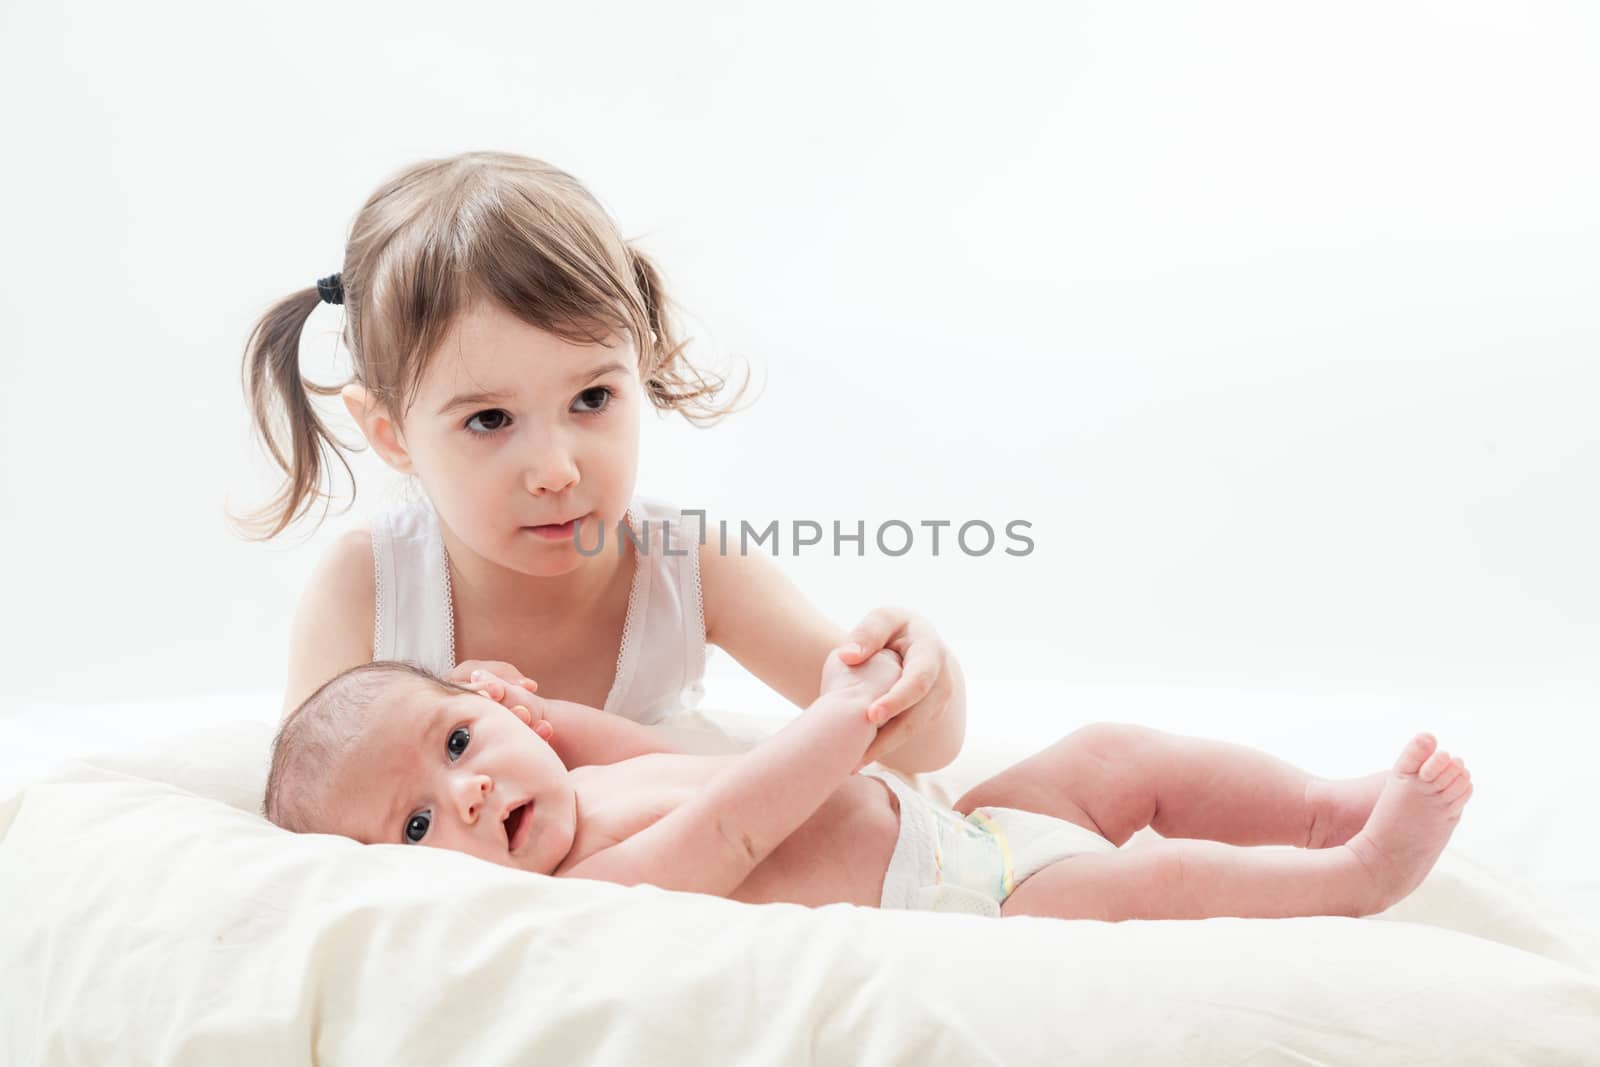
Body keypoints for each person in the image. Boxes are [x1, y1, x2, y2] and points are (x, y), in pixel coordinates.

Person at [236, 150, 965, 778]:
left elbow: (901, 737)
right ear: (391, 432)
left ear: (637, 364)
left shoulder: (687, 565)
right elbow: (314, 803)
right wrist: (426, 732)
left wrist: (926, 682)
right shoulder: (369, 587)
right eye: (489, 419)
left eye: (592, 397)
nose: (556, 469)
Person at [263, 655, 1473, 921]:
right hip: (970, 902)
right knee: (1141, 877)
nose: (467, 793)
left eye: (460, 740)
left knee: (1111, 750)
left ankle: (1319, 803)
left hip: (964, 828)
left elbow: (613, 738)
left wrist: (538, 714)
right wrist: (840, 724)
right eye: (417, 821)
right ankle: (1348, 873)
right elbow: (737, 816)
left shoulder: (580, 780)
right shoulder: (596, 882)